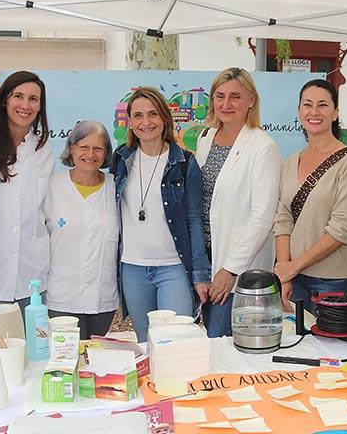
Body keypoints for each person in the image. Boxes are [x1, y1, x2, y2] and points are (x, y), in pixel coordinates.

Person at [110, 87, 210, 342]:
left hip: (173, 268)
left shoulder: (185, 163)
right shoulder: (121, 159)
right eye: (138, 115)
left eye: (153, 114)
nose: (146, 122)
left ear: (165, 118)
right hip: (132, 268)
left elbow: (194, 220)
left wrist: (200, 274)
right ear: (130, 122)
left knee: (175, 341)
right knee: (145, 341)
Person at [195, 68, 281, 338]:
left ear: (251, 100)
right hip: (206, 259)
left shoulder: (263, 146)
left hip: (237, 266)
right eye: (220, 96)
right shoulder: (206, 137)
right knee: (210, 339)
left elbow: (263, 217)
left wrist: (231, 269)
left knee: (223, 341)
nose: (226, 104)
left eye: (235, 97)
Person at [273, 79, 347, 313]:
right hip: (293, 280)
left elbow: (344, 227)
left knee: (328, 338)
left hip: (333, 281)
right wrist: (284, 271)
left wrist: (295, 265)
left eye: (323, 105)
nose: (314, 112)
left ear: (335, 113)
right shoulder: (290, 163)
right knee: (295, 337)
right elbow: (283, 218)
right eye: (307, 105)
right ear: (299, 111)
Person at [0, 71, 53, 317]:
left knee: (35, 341)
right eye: (18, 96)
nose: (26, 105)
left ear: (40, 107)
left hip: (32, 275)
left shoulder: (43, 150)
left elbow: (44, 208)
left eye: (33, 99)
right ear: (5, 100)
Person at [44, 121, 118, 339]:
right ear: (71, 149)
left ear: (106, 152)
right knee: (66, 353)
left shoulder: (115, 187)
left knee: (93, 354)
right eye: (84, 147)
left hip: (102, 296)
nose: (90, 154)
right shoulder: (51, 186)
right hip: (62, 295)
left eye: (98, 148)